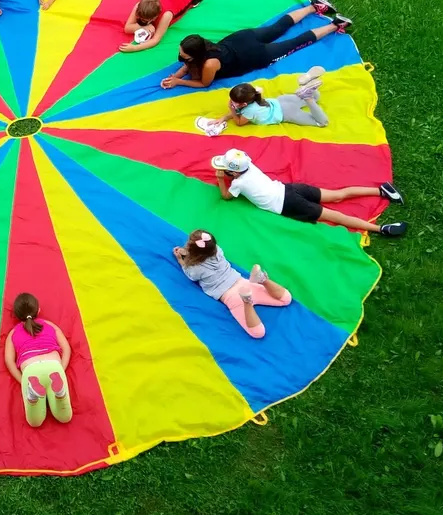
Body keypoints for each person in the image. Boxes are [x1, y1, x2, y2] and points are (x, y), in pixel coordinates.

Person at [161, 0, 349, 90]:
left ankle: (335, 25)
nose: (181, 58)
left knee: (294, 42)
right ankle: (314, 6)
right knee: (277, 28)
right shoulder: (201, 45)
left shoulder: (210, 63)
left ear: (196, 54)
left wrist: (178, 82)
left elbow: (204, 83)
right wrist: (175, 75)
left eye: (183, 55)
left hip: (253, 55)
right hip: (241, 39)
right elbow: (188, 64)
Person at [211, 148, 408, 237]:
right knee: (337, 195)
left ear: (235, 172)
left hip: (288, 204)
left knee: (336, 216)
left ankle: (380, 229)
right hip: (291, 188)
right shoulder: (249, 167)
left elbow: (226, 197)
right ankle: (381, 190)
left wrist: (221, 179)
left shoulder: (238, 184)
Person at [173, 230, 292, 339]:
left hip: (231, 296)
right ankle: (262, 279)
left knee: (258, 332)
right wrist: (188, 251)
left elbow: (191, 275)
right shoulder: (218, 250)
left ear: (192, 252)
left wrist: (181, 260)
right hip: (243, 282)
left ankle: (247, 301)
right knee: (286, 299)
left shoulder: (195, 269)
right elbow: (203, 253)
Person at [3, 292, 73, 428]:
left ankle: (33, 397)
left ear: (16, 315)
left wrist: (22, 379)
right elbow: (66, 348)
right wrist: (61, 370)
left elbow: (9, 361)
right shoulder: (49, 325)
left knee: (35, 422)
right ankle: (59, 393)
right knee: (65, 417)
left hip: (31, 370)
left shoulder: (13, 333)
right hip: (54, 367)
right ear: (38, 310)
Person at [209, 67, 328, 129]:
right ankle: (306, 84)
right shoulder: (254, 93)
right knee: (317, 96)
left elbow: (239, 122)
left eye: (233, 102)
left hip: (286, 112)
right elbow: (238, 110)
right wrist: (224, 118)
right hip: (281, 100)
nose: (231, 103)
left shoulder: (249, 111)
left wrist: (231, 109)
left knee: (321, 122)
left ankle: (307, 98)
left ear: (244, 104)